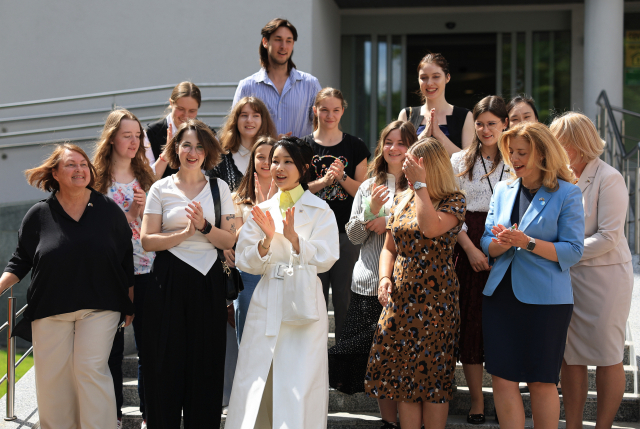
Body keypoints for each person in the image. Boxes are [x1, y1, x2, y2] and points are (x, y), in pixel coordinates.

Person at [0, 143, 135, 429]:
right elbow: (20, 260)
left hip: (101, 305)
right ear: (56, 173)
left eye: (84, 164)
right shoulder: (38, 214)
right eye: (71, 164)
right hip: (51, 307)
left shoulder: (109, 210)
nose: (80, 169)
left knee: (89, 368)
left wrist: (130, 302)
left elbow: (125, 259)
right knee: (52, 378)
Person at [226, 137, 340, 429]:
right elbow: (244, 260)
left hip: (303, 302)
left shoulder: (320, 209)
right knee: (259, 376)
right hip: (267, 298)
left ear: (303, 168)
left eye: (287, 161)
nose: (278, 167)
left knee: (299, 380)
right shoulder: (261, 210)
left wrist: (294, 240)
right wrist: (266, 240)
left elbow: (328, 257)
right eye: (274, 160)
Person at [480, 122, 584, 428]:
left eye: (522, 152)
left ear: (542, 153)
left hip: (546, 301)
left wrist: (529, 243)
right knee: (502, 378)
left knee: (541, 380)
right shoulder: (502, 189)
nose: (514, 158)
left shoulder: (567, 192)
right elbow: (486, 240)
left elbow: (573, 250)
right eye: (511, 152)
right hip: (501, 296)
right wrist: (498, 244)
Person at [365, 138, 467, 429]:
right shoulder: (401, 199)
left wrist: (420, 186)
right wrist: (384, 277)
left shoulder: (454, 200)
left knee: (433, 380)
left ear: (429, 167)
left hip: (436, 302)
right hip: (401, 300)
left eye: (412, 165)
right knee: (403, 380)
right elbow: (389, 248)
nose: (405, 171)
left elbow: (430, 227)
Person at [140, 119, 235, 429]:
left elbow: (231, 240)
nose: (193, 152)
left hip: (209, 281)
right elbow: (146, 240)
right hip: (167, 279)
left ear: (208, 151)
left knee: (206, 365)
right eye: (186, 145)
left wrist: (204, 227)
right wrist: (181, 234)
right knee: (165, 363)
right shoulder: (160, 187)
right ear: (175, 149)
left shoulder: (220, 188)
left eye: (199, 146)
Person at [329, 120, 417, 429]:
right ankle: (388, 421)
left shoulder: (420, 183)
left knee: (404, 358)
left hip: (409, 285)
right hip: (368, 282)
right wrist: (370, 214)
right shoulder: (368, 184)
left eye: (402, 142)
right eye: (389, 142)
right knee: (377, 359)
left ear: (413, 147)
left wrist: (388, 221)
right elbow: (352, 237)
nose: (394, 148)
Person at [550, 112, 633, 429]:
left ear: (576, 143)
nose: (552, 147)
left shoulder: (609, 177)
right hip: (566, 279)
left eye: (558, 141)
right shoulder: (556, 178)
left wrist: (559, 253)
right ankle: (572, 425)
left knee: (608, 356)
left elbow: (609, 237)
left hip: (604, 280)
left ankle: (603, 427)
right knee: (570, 358)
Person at [93, 109, 157, 429]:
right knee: (111, 351)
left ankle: (148, 414)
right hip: (109, 276)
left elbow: (158, 225)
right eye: (126, 135)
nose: (133, 142)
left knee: (149, 347)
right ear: (112, 138)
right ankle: (113, 415)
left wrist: (145, 215)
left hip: (147, 270)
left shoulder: (148, 177)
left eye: (138, 136)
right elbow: (93, 230)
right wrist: (131, 213)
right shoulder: (95, 179)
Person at [450, 95, 509, 424]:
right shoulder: (458, 160)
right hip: (465, 244)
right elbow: (449, 209)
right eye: (480, 123)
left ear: (505, 125)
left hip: (506, 243)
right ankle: (476, 401)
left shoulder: (516, 160)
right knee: (470, 324)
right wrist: (471, 249)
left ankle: (505, 399)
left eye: (492, 123)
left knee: (501, 326)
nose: (486, 129)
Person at [303, 87, 370, 342]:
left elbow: (363, 193)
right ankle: (314, 367)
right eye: (324, 109)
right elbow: (297, 192)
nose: (330, 115)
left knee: (345, 301)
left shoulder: (356, 146)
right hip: (311, 236)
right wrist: (324, 181)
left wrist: (341, 177)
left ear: (343, 111)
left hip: (346, 235)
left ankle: (342, 371)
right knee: (313, 302)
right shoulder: (303, 146)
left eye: (335, 110)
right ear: (315, 111)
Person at [233, 18, 322, 138]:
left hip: (301, 156)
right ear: (265, 42)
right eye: (278, 40)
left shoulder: (310, 84)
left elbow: (323, 126)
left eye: (288, 41)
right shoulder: (247, 86)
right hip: (259, 156)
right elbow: (234, 130)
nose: (283, 46)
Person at [228, 136, 277, 344]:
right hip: (247, 273)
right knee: (247, 336)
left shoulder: (289, 196)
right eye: (261, 157)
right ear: (252, 160)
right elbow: (235, 239)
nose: (266, 162)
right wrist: (259, 209)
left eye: (272, 158)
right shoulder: (237, 198)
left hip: (278, 270)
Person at [398, 53, 474, 155]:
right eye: (424, 78)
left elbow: (468, 161)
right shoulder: (407, 114)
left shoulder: (465, 116)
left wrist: (438, 134)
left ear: (447, 78)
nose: (429, 83)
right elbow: (399, 155)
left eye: (436, 77)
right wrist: (424, 135)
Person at [144, 81, 216, 179]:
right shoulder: (151, 133)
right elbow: (148, 181)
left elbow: (211, 175)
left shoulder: (209, 135)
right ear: (171, 103)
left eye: (192, 111)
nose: (186, 115)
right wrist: (166, 154)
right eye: (181, 109)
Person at [207, 96, 277, 192]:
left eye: (255, 115)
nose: (249, 120)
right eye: (244, 115)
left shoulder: (276, 155)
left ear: (263, 121)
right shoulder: (220, 157)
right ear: (236, 120)